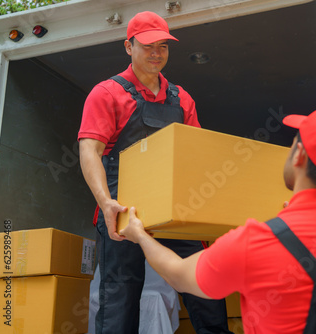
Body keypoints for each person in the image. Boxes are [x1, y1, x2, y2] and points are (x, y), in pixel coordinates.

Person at [120, 107, 316, 333]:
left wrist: (140, 235)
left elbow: (178, 274)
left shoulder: (257, 241)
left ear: (299, 155)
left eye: (293, 143)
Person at [78, 11, 232, 334]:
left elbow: (196, 153)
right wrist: (106, 203)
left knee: (204, 284)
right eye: (147, 45)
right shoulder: (107, 94)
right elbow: (89, 151)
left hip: (174, 210)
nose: (156, 53)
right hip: (122, 211)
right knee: (119, 299)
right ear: (128, 46)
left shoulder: (182, 99)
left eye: (162, 46)